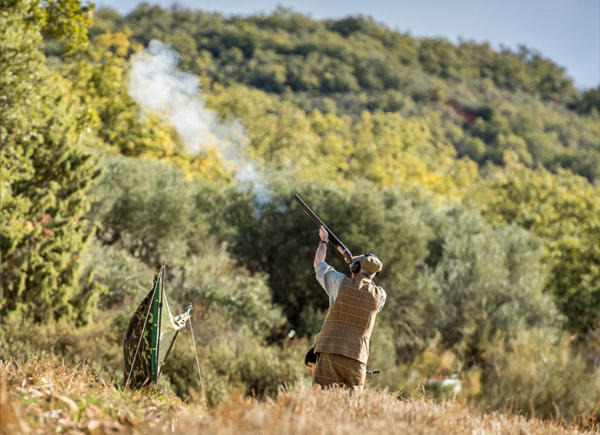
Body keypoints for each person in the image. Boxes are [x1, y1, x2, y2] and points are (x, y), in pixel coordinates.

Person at [311, 225, 386, 391]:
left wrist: (324, 241)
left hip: (330, 353)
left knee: (321, 405)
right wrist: (359, 269)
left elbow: (319, 264)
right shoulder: (380, 295)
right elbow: (366, 285)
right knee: (351, 411)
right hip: (358, 360)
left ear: (355, 268)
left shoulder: (339, 283)